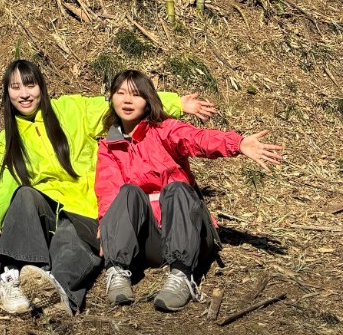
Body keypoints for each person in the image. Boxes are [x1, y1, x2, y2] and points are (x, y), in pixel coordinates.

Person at [0, 59, 215, 318]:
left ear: (42, 87)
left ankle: (59, 290)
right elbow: (3, 184)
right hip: (47, 207)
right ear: (7, 93)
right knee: (24, 194)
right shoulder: (7, 140)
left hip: (85, 204)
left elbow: (121, 103)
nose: (24, 94)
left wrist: (176, 103)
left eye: (30, 85)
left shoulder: (71, 109)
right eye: (15, 88)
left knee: (72, 235)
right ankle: (12, 275)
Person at [96, 70, 283, 312]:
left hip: (188, 230)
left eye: (136, 94)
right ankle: (118, 271)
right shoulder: (108, 147)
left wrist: (237, 143)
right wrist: (108, 228)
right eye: (120, 93)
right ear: (111, 98)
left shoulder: (164, 130)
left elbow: (198, 139)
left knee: (176, 189)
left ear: (148, 100)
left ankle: (182, 276)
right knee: (128, 192)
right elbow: (108, 192)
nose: (127, 101)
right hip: (150, 240)